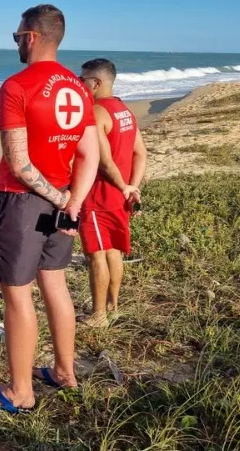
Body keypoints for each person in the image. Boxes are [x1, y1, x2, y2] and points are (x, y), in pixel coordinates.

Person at [0, 4, 100, 413]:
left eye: (16, 35)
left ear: (31, 37)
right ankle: (64, 371)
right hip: (64, 200)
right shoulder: (79, 87)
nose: (15, 41)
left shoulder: (17, 86)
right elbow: (89, 153)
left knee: (17, 296)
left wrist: (59, 200)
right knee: (55, 283)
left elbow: (19, 163)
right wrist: (74, 203)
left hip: (22, 203)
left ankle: (20, 391)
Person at [77, 58, 147, 327]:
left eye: (82, 79)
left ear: (96, 83)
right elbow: (140, 152)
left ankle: (99, 315)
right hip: (120, 197)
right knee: (113, 252)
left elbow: (105, 162)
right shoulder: (124, 110)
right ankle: (113, 307)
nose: (79, 83)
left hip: (98, 197)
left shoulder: (96, 112)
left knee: (96, 254)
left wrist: (123, 186)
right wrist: (132, 187)